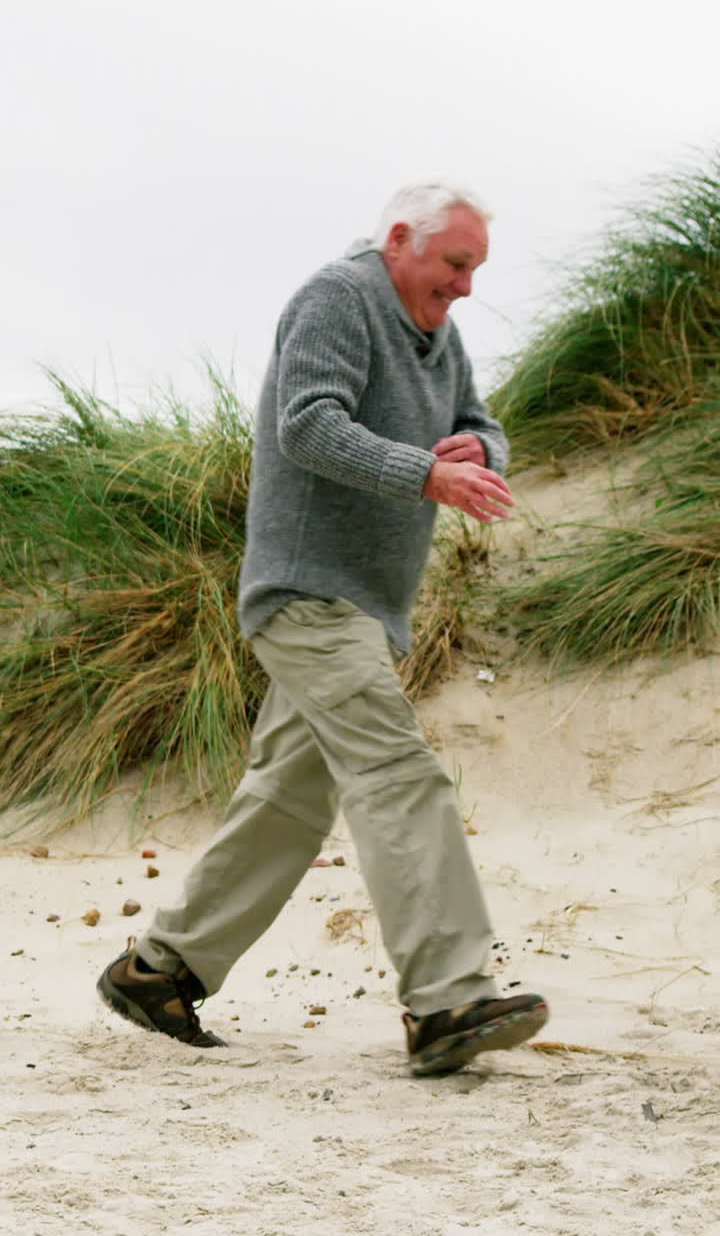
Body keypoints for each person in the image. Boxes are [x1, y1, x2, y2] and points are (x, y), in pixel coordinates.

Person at [97, 182, 548, 1075]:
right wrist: (424, 474)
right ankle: (448, 998)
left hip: (367, 609)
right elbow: (308, 426)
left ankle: (161, 970)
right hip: (307, 594)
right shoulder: (338, 298)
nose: (463, 287)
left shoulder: (438, 337)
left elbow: (480, 422)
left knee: (290, 801)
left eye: (474, 271)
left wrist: (479, 452)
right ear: (398, 241)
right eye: (455, 264)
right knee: (398, 772)